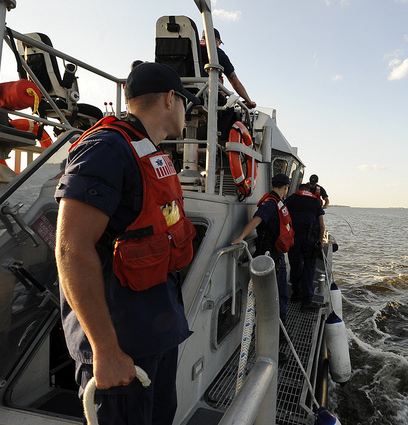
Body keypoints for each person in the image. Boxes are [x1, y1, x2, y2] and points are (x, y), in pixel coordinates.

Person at [55, 62, 198, 425]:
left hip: (153, 334)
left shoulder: (145, 150)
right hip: (122, 347)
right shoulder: (107, 149)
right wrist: (105, 350)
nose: (188, 112)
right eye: (186, 103)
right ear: (170, 99)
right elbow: (71, 249)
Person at [231, 173, 294, 327]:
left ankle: (276, 326)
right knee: (279, 294)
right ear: (286, 187)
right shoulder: (271, 204)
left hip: (274, 252)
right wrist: (241, 238)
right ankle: (278, 330)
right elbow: (257, 220)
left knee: (278, 294)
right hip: (270, 254)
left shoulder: (275, 201)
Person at [285, 184, 326, 311]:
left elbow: (283, 217)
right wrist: (320, 241)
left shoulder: (291, 199)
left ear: (299, 190)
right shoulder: (315, 201)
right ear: (309, 191)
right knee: (309, 267)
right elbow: (321, 225)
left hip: (294, 239)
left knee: (296, 264)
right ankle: (307, 301)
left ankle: (296, 293)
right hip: (310, 240)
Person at [200, 28, 256, 109]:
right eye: (219, 43)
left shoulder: (188, 48)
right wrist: (249, 101)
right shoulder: (217, 53)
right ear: (216, 40)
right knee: (229, 110)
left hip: (185, 93)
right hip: (206, 95)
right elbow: (235, 83)